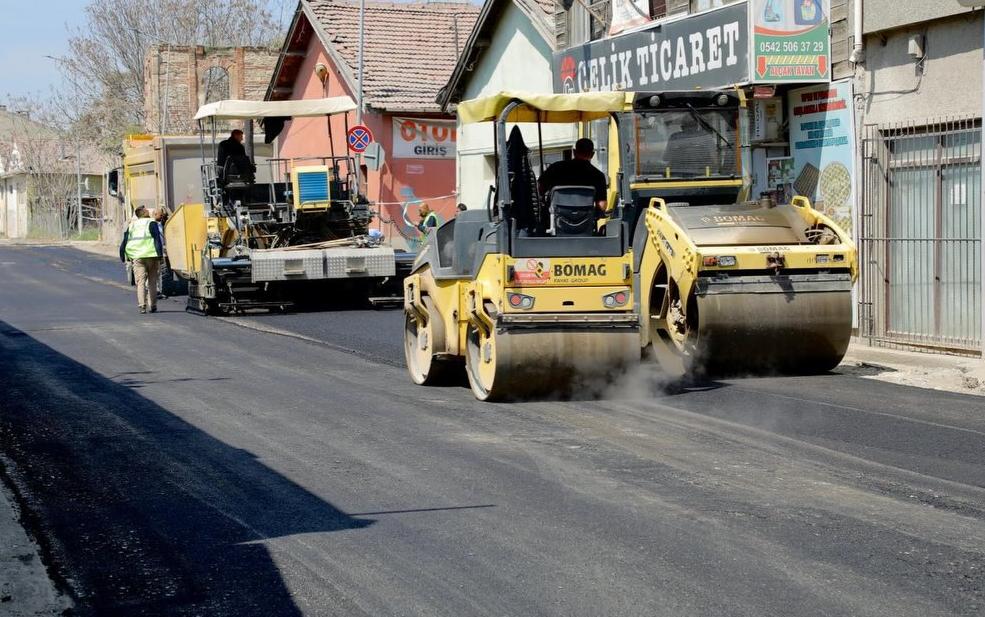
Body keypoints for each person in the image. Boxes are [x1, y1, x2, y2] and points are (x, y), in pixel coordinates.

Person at [538, 138, 608, 212]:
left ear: (574, 152)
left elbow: (539, 189)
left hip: (556, 219)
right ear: (592, 154)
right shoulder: (598, 176)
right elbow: (602, 205)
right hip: (585, 220)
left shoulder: (555, 168)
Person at [119, 206, 164, 314]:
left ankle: (142, 306)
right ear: (144, 213)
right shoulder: (151, 223)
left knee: (140, 282)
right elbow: (157, 239)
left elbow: (125, 241)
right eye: (146, 210)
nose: (148, 210)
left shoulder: (132, 226)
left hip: (137, 257)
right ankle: (153, 306)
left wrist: (122, 255)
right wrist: (160, 255)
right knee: (152, 282)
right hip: (151, 256)